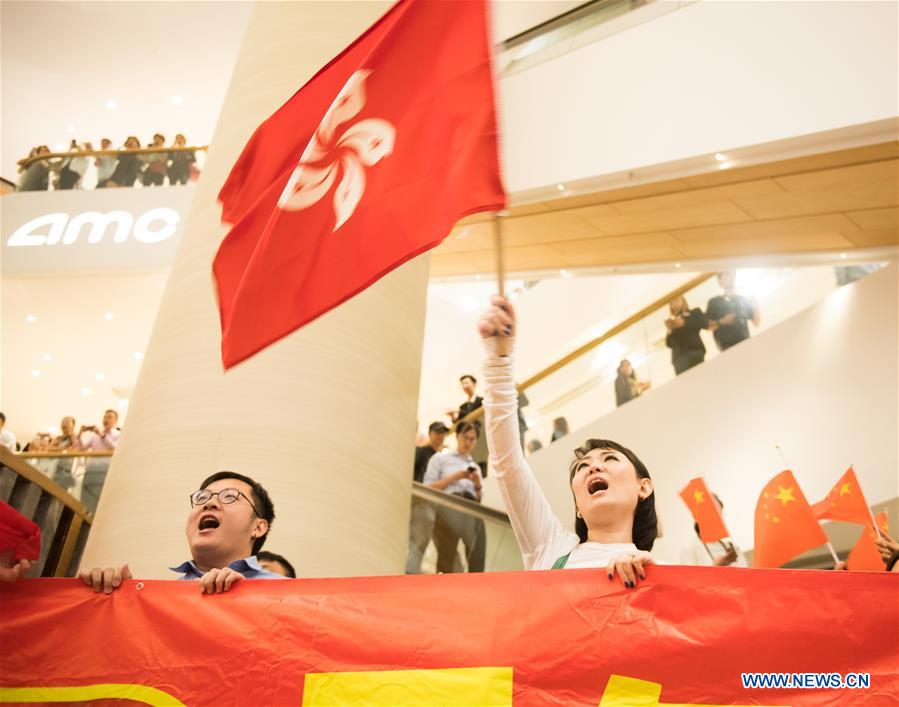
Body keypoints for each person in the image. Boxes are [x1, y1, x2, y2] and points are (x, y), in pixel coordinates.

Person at [479, 295, 658, 587]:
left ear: (644, 486)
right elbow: (508, 465)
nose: (593, 468)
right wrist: (499, 360)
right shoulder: (551, 549)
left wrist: (656, 581)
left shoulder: (662, 572)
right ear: (578, 507)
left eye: (609, 459)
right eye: (582, 467)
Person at [78, 471, 284, 593]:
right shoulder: (158, 598)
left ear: (258, 527)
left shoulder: (286, 594)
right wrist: (116, 600)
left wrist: (247, 602)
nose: (210, 503)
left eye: (229, 496)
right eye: (202, 498)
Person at [419, 421, 486, 573]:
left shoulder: (475, 467)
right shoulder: (440, 458)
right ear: (457, 436)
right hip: (449, 506)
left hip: (471, 509)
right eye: (466, 437)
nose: (468, 442)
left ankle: (477, 585)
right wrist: (455, 477)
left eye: (472, 439)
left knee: (477, 554)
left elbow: (479, 498)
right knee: (446, 557)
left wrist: (477, 484)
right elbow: (427, 487)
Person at [681, 494, 747, 567]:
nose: (718, 518)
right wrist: (716, 566)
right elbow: (689, 578)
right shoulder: (690, 549)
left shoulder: (730, 545)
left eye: (719, 513)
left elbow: (745, 574)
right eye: (712, 512)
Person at [705, 270, 760, 351]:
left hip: (746, 343)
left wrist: (755, 305)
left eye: (733, 274)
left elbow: (756, 322)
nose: (731, 277)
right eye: (727, 274)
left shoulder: (742, 300)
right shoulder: (714, 302)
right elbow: (707, 326)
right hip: (726, 347)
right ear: (719, 281)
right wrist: (721, 321)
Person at [449, 375, 489, 476]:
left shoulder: (482, 401)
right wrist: (453, 417)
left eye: (467, 383)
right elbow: (459, 424)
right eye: (462, 384)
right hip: (468, 441)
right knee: (470, 465)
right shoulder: (462, 407)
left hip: (482, 438)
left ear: (474, 384)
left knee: (482, 463)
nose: (464, 386)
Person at [664, 295, 709, 375]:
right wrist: (669, 330)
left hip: (695, 351)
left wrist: (684, 323)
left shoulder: (694, 312)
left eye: (676, 300)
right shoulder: (672, 322)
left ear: (683, 300)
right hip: (679, 358)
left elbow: (704, 323)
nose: (674, 304)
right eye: (671, 303)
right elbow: (669, 344)